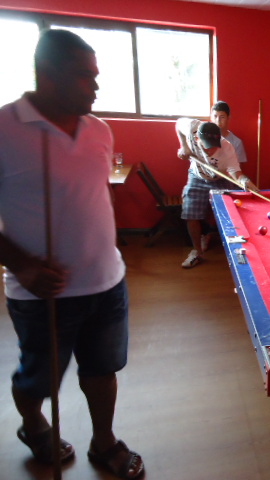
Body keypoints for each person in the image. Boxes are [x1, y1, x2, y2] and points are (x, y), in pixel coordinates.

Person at [0, 30, 144, 479]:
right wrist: (21, 264)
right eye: (85, 76)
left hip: (107, 282)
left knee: (102, 371)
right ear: (47, 75)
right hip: (42, 293)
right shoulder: (4, 128)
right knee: (38, 379)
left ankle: (104, 442)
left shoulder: (100, 130)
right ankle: (33, 425)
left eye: (95, 75)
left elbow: (94, 197)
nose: (96, 86)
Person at [176, 118, 258, 268]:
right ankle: (197, 252)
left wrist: (245, 181)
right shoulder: (192, 127)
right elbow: (178, 124)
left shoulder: (227, 148)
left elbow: (236, 173)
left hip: (220, 178)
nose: (211, 150)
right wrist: (184, 147)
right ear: (196, 138)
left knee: (230, 213)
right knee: (190, 213)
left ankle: (237, 249)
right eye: (207, 147)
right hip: (197, 176)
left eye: (214, 146)